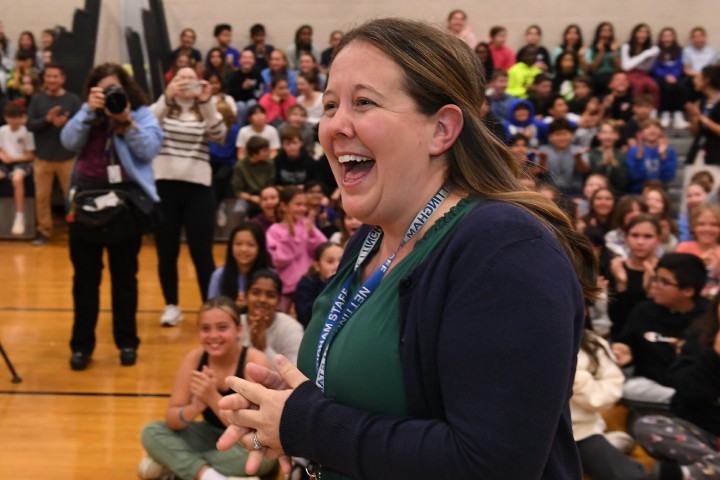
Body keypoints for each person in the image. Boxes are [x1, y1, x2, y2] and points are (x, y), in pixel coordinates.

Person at [215, 18, 596, 479]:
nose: (335, 125)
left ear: (442, 129)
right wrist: (291, 402)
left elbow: (492, 465)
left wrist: (306, 422)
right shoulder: (372, 237)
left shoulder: (508, 250)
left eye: (363, 102)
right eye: (330, 104)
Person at [59, 62, 162, 370]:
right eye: (102, 91)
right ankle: (81, 347)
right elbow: (67, 141)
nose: (109, 95)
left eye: (113, 89)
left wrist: (126, 120)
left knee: (124, 280)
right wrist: (87, 112)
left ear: (126, 87)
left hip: (124, 207)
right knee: (85, 281)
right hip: (85, 206)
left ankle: (127, 343)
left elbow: (149, 149)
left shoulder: (141, 114)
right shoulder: (87, 114)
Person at [139, 297, 277, 480]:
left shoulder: (254, 361)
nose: (213, 336)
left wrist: (212, 397)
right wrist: (195, 407)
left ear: (238, 330)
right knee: (151, 431)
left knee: (264, 457)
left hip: (243, 442)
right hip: (210, 435)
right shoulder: (194, 359)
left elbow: (257, 429)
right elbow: (172, 420)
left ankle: (178, 469)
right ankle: (210, 476)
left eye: (222, 327)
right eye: (205, 329)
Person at [151, 67, 227, 327]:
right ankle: (171, 305)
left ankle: (210, 308)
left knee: (201, 252)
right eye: (180, 79)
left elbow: (220, 136)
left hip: (199, 189)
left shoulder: (206, 108)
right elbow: (147, 126)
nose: (185, 84)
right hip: (164, 188)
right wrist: (166, 97)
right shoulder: (162, 107)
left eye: (190, 79)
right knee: (166, 251)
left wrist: (206, 102)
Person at [633, 295, 720, 480]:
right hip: (700, 432)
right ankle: (712, 468)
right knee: (646, 425)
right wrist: (714, 356)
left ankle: (691, 474)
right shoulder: (700, 335)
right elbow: (685, 388)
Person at [612, 253, 708, 403]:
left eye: (664, 282)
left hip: (694, 386)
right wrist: (625, 351)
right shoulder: (644, 311)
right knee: (630, 388)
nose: (654, 285)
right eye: (655, 278)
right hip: (654, 387)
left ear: (688, 290)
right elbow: (629, 344)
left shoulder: (708, 318)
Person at [572, 321, 648, 480]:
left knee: (632, 476)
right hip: (532, 434)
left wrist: (575, 375)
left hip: (582, 433)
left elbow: (608, 394)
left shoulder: (593, 342)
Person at [25, 62, 81, 245]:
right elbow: (30, 125)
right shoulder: (37, 100)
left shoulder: (73, 100)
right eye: (48, 76)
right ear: (44, 78)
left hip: (67, 158)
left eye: (55, 76)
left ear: (62, 79)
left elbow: (82, 126)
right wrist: (47, 120)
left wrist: (67, 124)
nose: (51, 80)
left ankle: (77, 230)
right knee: (41, 198)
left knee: (72, 198)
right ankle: (44, 231)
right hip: (42, 158)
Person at [266, 186, 326, 312]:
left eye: (305, 205)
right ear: (284, 206)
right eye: (298, 204)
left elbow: (322, 250)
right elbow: (278, 261)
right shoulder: (274, 230)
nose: (303, 209)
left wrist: (311, 234)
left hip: (307, 284)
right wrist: (290, 238)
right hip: (285, 288)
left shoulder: (306, 224)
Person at [239, 269, 305, 366]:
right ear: (245, 296)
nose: (262, 299)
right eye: (256, 293)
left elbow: (295, 372)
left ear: (279, 301)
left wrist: (263, 348)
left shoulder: (291, 328)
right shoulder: (235, 324)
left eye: (270, 295)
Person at [207, 222, 271, 310]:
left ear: (260, 248)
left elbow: (273, 308)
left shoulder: (269, 277)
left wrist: (251, 305)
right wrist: (232, 308)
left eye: (250, 245)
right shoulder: (218, 275)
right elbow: (211, 309)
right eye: (238, 244)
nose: (243, 249)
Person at [0, 102, 34, 235]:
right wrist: (3, 156)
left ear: (21, 117)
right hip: (5, 163)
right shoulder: (2, 130)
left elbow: (30, 155)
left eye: (15, 117)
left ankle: (19, 216)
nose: (12, 121)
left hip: (21, 163)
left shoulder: (27, 132)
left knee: (17, 179)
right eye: (9, 117)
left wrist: (13, 159)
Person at [294, 242, 343, 328]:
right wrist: (330, 286)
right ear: (317, 266)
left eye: (341, 260)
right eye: (330, 261)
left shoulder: (352, 282)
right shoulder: (306, 284)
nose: (337, 265)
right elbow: (308, 315)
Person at [626, 119, 677, 194]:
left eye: (656, 127)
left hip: (660, 191)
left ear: (661, 132)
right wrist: (639, 158)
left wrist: (663, 156)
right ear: (641, 133)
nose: (652, 130)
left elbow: (668, 177)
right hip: (638, 192)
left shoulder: (669, 151)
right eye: (647, 127)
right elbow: (633, 176)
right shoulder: (634, 150)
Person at [653, 27, 689, 129]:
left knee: (680, 86)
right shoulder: (656, 50)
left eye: (669, 36)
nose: (667, 38)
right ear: (660, 38)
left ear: (673, 38)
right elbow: (655, 67)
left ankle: (678, 115)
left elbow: (680, 65)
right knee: (667, 87)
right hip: (660, 77)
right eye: (664, 36)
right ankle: (666, 114)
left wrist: (674, 76)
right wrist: (666, 76)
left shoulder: (679, 50)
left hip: (675, 77)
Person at [621, 23, 661, 108]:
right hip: (630, 73)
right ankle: (636, 109)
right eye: (640, 32)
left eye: (646, 32)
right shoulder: (627, 46)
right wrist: (644, 55)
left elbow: (648, 68)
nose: (643, 35)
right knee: (638, 85)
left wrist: (646, 56)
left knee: (653, 86)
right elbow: (626, 66)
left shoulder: (652, 49)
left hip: (643, 74)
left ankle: (653, 110)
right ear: (635, 33)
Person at [584, 22, 621, 97]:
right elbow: (593, 69)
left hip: (612, 76)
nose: (606, 34)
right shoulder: (592, 48)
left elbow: (619, 68)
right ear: (598, 33)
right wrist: (601, 51)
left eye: (609, 31)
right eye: (603, 31)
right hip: (598, 76)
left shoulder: (616, 48)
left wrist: (614, 51)